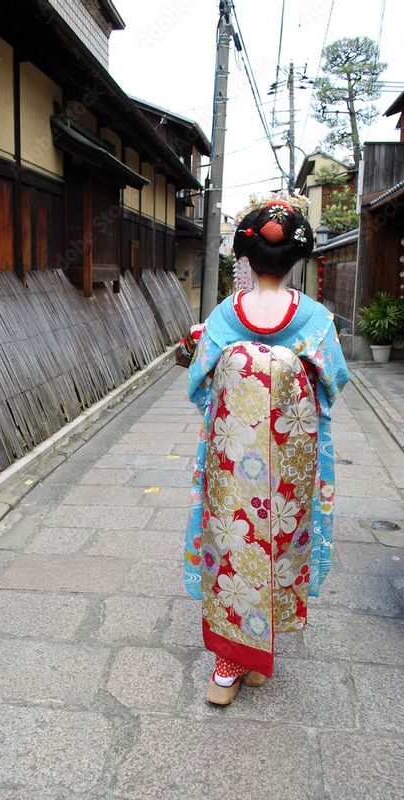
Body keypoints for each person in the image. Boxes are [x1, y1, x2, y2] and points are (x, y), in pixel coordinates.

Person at [180, 195, 350, 705]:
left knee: (232, 542)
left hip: (233, 457)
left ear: (246, 258)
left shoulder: (223, 316)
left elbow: (199, 386)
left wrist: (242, 378)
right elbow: (333, 384)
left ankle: (231, 663)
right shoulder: (316, 318)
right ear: (298, 259)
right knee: (281, 538)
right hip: (292, 459)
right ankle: (251, 657)